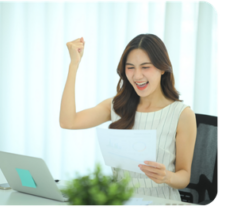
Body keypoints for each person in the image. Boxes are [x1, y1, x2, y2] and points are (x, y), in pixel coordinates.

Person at [59, 34, 197, 202]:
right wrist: (74, 64)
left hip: (162, 202)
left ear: (162, 68)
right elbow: (68, 122)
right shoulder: (117, 105)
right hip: (120, 202)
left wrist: (166, 176)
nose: (137, 76)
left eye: (145, 67)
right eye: (130, 67)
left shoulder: (182, 114)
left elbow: (184, 177)